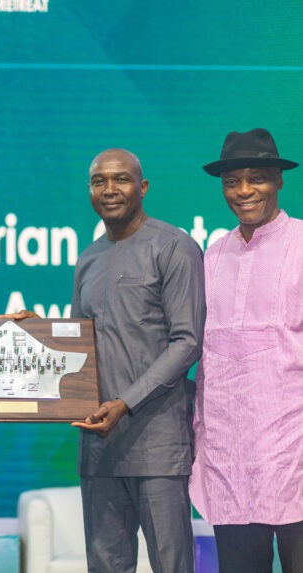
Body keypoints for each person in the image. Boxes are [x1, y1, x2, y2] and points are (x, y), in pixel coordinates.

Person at [69, 148, 205, 572]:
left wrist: (125, 402)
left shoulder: (174, 247)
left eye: (121, 179)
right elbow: (77, 345)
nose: (109, 189)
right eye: (98, 181)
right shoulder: (88, 258)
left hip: (157, 446)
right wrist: (28, 333)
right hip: (99, 446)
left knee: (171, 564)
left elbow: (186, 343)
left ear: (142, 187)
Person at [191, 128, 303, 572]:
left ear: (279, 181)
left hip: (293, 450)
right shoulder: (212, 256)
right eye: (232, 181)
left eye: (256, 178)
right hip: (230, 457)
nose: (243, 191)